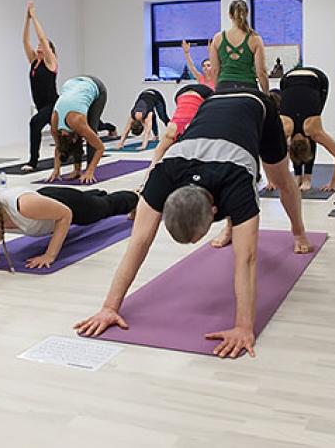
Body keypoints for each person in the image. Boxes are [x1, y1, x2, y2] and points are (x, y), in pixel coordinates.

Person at [74, 90, 313, 358]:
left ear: (214, 211)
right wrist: (109, 307)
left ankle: (299, 231)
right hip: (211, 106)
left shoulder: (238, 183)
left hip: (256, 107)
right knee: (232, 217)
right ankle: (233, 228)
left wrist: (243, 327)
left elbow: (247, 259)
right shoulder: (161, 178)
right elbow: (138, 242)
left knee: (280, 180)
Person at [0, 183, 138, 270]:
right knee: (93, 199)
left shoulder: (24, 206)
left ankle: (136, 196)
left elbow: (65, 215)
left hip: (68, 204)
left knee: (104, 208)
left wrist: (50, 255)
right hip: (47, 201)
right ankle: (95, 194)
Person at [270, 67, 335, 192]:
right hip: (290, 78)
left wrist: (271, 181)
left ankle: (305, 178)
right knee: (314, 115)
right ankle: (300, 177)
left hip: (308, 78)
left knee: (313, 119)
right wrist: (333, 183)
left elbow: (268, 156)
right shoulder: (313, 131)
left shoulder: (301, 130)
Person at [21, 1, 59, 173]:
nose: (38, 47)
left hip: (54, 105)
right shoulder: (34, 62)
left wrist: (35, 17)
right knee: (54, 131)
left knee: (34, 123)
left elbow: (42, 38)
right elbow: (24, 40)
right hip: (41, 106)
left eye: (42, 46)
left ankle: (33, 162)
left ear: (49, 50)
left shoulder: (51, 63)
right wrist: (27, 19)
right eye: (38, 46)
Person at [48, 76, 107, 184]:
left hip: (95, 86)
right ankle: (77, 170)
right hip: (72, 83)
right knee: (83, 134)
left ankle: (88, 171)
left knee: (91, 131)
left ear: (74, 139)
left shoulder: (77, 122)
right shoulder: (55, 129)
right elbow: (58, 146)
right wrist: (56, 170)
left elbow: (100, 148)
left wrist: (90, 171)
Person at [208, 0, 269, 92]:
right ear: (247, 14)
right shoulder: (255, 39)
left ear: (230, 15)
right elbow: (261, 72)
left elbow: (215, 70)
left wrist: (218, 90)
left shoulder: (217, 38)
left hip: (224, 86)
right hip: (248, 87)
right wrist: (266, 93)